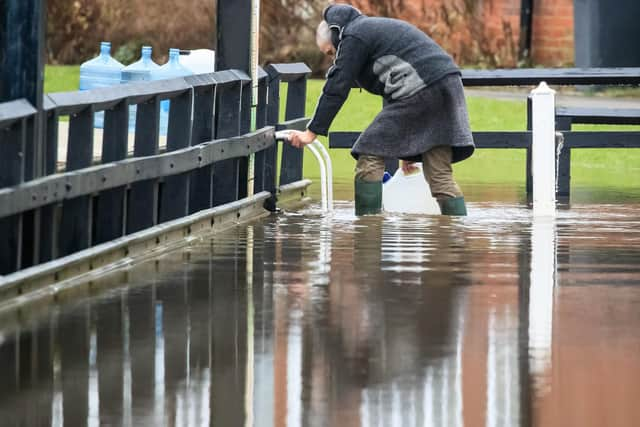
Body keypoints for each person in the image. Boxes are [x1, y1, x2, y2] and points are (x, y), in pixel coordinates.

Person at [287, 4, 475, 216]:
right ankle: (456, 238)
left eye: (331, 52)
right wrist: (409, 145)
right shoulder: (371, 29)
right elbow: (393, 91)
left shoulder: (353, 36)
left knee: (369, 153)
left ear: (335, 35)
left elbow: (337, 85)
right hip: (447, 87)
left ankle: (368, 230)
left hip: (423, 89)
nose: (333, 58)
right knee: (440, 175)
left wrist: (311, 132)